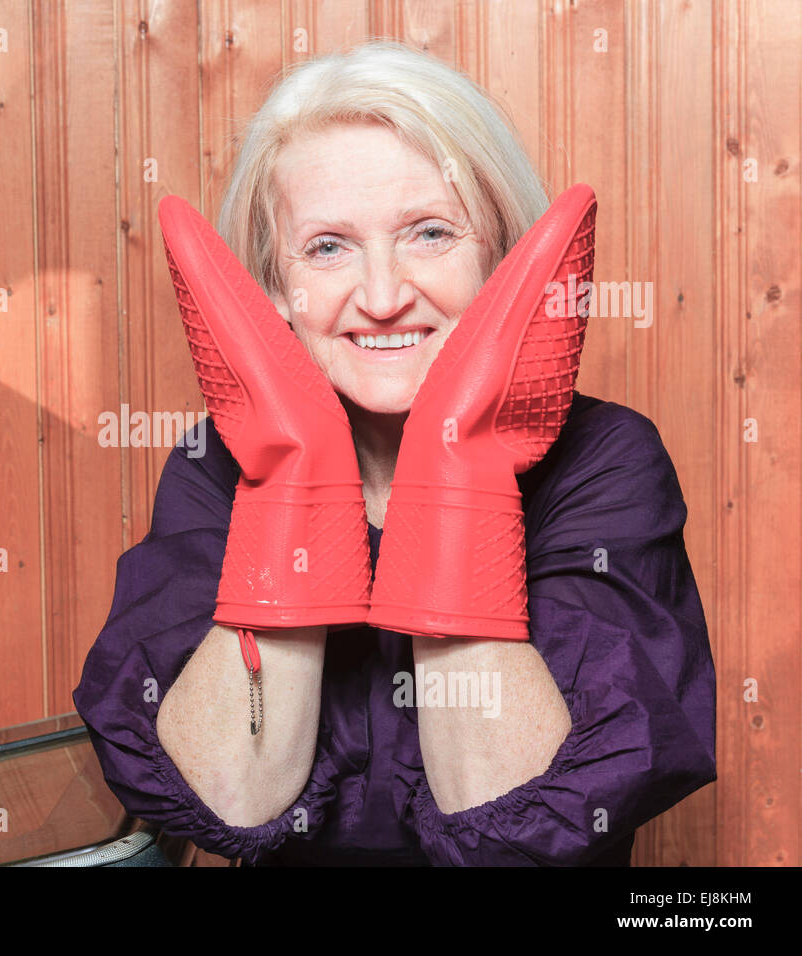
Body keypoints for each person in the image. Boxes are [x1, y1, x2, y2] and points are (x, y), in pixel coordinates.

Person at [72, 41, 715, 865]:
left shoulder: (606, 460)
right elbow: (229, 795)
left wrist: (461, 460)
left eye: (431, 233)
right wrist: (292, 477)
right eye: (328, 247)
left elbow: (506, 818)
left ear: (507, 259)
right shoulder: (216, 467)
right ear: (272, 291)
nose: (381, 298)